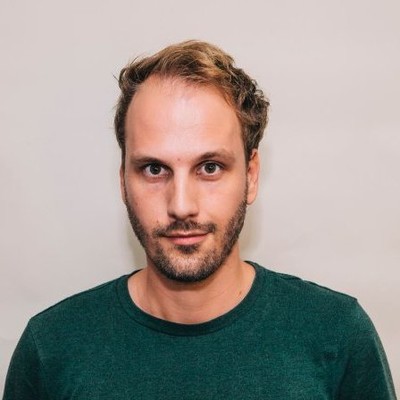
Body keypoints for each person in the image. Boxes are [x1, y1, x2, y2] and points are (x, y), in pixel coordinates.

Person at [3, 40, 396, 399]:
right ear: (123, 181)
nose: (181, 206)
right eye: (154, 169)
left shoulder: (338, 335)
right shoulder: (51, 348)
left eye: (210, 167)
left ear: (251, 176)